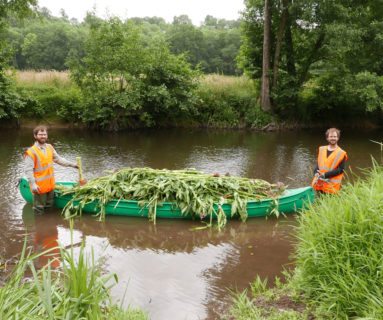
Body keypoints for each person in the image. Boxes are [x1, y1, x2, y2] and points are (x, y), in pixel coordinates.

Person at [24, 125, 79, 215]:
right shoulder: (31, 152)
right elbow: (28, 171)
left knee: (49, 207)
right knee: (39, 209)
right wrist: (33, 185)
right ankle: (40, 226)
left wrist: (72, 165)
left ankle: (49, 226)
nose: (43, 136)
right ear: (35, 136)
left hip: (50, 185)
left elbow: (58, 159)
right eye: (40, 134)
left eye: (44, 134)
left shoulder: (49, 147)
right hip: (39, 187)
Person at [312, 128, 348, 194]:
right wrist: (315, 172)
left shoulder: (341, 153)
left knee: (329, 203)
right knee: (319, 202)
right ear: (327, 138)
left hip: (331, 185)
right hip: (320, 183)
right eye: (331, 136)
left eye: (335, 136)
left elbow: (341, 169)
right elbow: (319, 164)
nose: (333, 138)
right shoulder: (322, 149)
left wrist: (325, 175)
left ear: (338, 138)